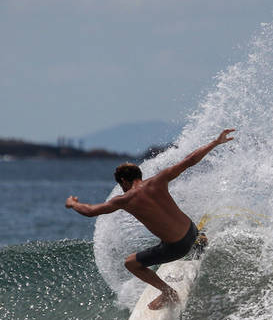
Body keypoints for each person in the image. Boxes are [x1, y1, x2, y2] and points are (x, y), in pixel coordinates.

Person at [65, 129, 235, 310]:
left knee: (130, 263)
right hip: (191, 231)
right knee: (172, 229)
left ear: (123, 181)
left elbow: (90, 211)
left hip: (178, 248)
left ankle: (168, 293)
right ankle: (200, 240)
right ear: (140, 175)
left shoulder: (125, 199)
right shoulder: (159, 180)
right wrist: (215, 142)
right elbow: (189, 160)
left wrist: (73, 204)